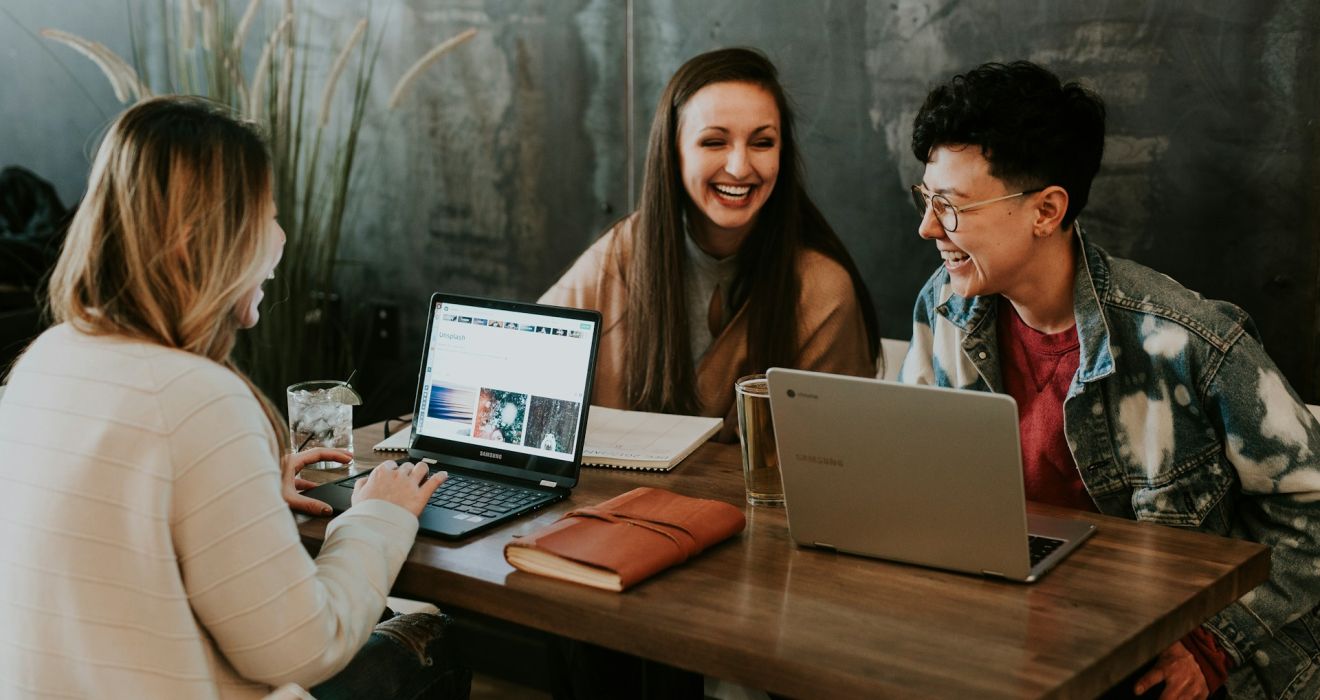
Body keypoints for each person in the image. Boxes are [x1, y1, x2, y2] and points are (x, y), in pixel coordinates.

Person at [0, 96, 470, 699]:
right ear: (198, 241)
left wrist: (244, 495)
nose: (279, 238)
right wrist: (380, 516)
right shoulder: (197, 398)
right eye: (265, 216)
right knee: (434, 641)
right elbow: (304, 649)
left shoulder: (44, 361)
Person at [899, 61, 1320, 700]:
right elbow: (920, 483)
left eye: (951, 207)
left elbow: (1311, 511)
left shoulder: (1187, 342)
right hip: (1015, 639)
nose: (929, 228)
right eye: (925, 199)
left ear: (1046, 210)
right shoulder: (945, 306)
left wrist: (1214, 646)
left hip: (1161, 658)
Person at [540, 47, 879, 441]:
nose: (739, 167)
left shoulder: (823, 289)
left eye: (762, 143)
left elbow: (838, 456)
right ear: (674, 152)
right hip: (613, 502)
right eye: (714, 142)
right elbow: (524, 361)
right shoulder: (622, 253)